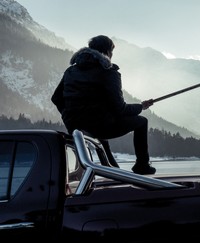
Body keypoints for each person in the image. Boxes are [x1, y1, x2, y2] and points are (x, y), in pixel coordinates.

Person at [52, 35, 156, 175]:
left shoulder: (71, 71)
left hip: (75, 125)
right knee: (142, 122)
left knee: (101, 125)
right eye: (111, 52)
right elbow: (120, 109)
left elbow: (56, 98)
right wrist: (140, 107)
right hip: (99, 125)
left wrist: (69, 116)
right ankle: (141, 165)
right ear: (107, 52)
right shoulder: (109, 73)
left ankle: (111, 166)